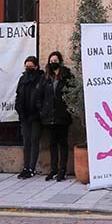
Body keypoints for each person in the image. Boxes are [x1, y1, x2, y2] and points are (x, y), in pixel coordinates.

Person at [38, 51, 73, 181]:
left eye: (55, 60)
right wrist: (42, 111)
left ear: (60, 61)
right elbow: (39, 96)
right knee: (52, 144)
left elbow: (72, 94)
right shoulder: (46, 78)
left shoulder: (67, 76)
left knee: (63, 144)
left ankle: (62, 170)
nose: (53, 63)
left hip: (62, 117)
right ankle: (53, 170)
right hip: (49, 117)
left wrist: (69, 110)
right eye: (51, 61)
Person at [15, 56, 43, 179]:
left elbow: (43, 97)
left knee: (34, 141)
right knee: (26, 141)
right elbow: (18, 95)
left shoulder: (41, 79)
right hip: (24, 116)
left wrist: (39, 112)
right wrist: (19, 110)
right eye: (27, 67)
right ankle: (26, 167)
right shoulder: (23, 79)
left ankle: (32, 168)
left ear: (36, 66)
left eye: (31, 66)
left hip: (36, 116)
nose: (29, 69)